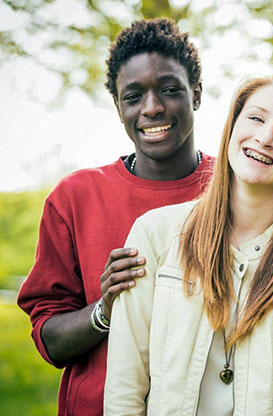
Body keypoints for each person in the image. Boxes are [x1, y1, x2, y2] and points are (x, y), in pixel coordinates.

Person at [104, 74, 273, 415]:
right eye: (256, 118)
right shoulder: (155, 234)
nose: (265, 138)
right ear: (232, 126)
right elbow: (125, 390)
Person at [16, 18, 213, 416]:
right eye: (133, 96)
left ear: (196, 94)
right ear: (118, 106)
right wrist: (105, 309)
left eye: (169, 89)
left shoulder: (235, 191)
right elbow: (50, 342)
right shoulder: (74, 198)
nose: (152, 107)